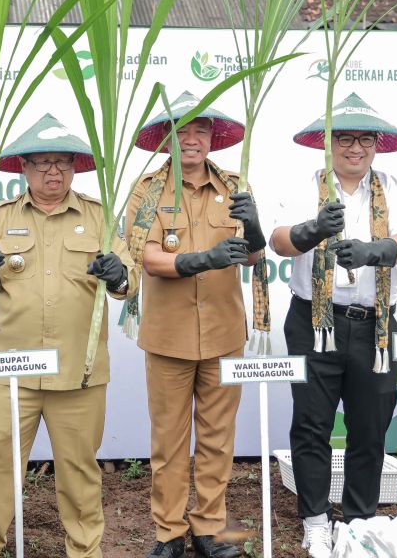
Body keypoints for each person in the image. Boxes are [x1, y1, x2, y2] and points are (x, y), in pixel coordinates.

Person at [0, 113, 136, 558]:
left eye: (61, 162)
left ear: (74, 167)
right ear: (24, 168)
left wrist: (118, 276)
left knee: (79, 472)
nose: (52, 171)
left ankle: (85, 551)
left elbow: (129, 282)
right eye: (42, 162)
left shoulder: (99, 216)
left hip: (79, 370)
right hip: (10, 369)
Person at [268, 93, 397, 558]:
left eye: (364, 139)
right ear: (327, 143)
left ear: (377, 145)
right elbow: (278, 241)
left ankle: (358, 520)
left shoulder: (394, 185)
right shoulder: (304, 186)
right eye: (344, 139)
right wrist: (309, 231)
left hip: (375, 325)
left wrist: (378, 251)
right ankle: (316, 521)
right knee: (312, 424)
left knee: (370, 426)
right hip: (315, 320)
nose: (355, 148)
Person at [125, 91, 268, 558]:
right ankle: (168, 533)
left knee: (217, 438)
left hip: (225, 333)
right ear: (167, 138)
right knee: (168, 442)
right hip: (168, 336)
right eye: (181, 130)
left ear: (212, 138)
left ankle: (208, 529)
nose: (191, 139)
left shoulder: (234, 185)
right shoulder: (147, 191)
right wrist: (196, 260)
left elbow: (252, 256)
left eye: (200, 130)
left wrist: (256, 228)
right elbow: (144, 256)